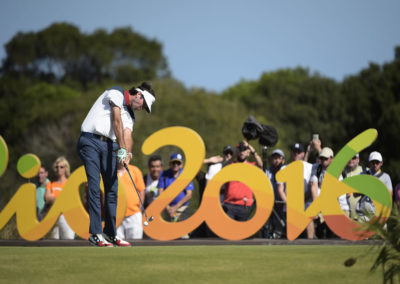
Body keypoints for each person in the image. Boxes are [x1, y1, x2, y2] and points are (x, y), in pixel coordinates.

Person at [77, 82, 156, 247]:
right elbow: (117, 120)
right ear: (138, 95)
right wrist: (121, 147)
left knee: (112, 190)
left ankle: (111, 233)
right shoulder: (117, 93)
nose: (142, 108)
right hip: (90, 140)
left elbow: (127, 134)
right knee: (93, 185)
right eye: (144, 105)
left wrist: (126, 153)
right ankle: (95, 233)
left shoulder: (131, 115)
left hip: (109, 146)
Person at [222, 141, 263, 221]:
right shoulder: (230, 165)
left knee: (242, 233)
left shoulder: (251, 166)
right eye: (240, 150)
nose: (242, 152)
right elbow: (223, 167)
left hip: (245, 205)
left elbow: (260, 164)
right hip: (229, 204)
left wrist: (253, 150)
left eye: (244, 150)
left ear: (248, 152)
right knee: (227, 232)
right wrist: (234, 154)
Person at [310, 147, 345, 238]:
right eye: (321, 158)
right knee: (320, 233)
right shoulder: (316, 168)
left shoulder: (336, 171)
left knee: (331, 235)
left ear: (331, 159)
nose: (323, 161)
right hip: (320, 203)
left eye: (325, 158)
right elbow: (314, 185)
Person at [158, 153, 195, 238]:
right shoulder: (164, 174)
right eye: (174, 163)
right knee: (165, 235)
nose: (175, 165)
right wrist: (168, 208)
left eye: (178, 163)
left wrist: (175, 207)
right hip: (166, 208)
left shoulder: (185, 175)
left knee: (183, 236)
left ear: (181, 164)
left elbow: (189, 195)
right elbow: (160, 193)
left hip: (182, 208)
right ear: (170, 163)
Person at [356, 151, 393, 221]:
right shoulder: (362, 175)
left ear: (381, 163)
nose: (375, 165)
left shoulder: (386, 177)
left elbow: (389, 196)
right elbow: (355, 194)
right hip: (364, 213)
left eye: (377, 162)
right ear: (369, 163)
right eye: (373, 162)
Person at [45, 156, 75, 240]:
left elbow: (71, 201)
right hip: (53, 217)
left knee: (68, 240)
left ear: (66, 168)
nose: (59, 169)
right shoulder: (51, 184)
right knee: (53, 242)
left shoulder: (70, 184)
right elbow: (47, 198)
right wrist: (61, 199)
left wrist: (54, 198)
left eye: (61, 167)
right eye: (57, 167)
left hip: (67, 217)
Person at [117, 163, 146, 240]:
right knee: (115, 246)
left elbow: (141, 191)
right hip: (115, 215)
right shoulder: (109, 171)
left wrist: (139, 210)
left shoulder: (135, 170)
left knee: (136, 244)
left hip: (133, 214)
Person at [264, 149, 286, 238]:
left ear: (283, 160)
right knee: (267, 226)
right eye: (274, 158)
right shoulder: (267, 172)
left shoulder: (286, 170)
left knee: (282, 226)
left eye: (279, 158)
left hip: (282, 203)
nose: (276, 160)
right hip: (270, 204)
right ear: (271, 160)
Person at [342, 154, 365, 220]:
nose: (351, 160)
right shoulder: (341, 172)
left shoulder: (365, 171)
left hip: (361, 216)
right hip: (344, 215)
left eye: (353, 158)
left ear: (358, 160)